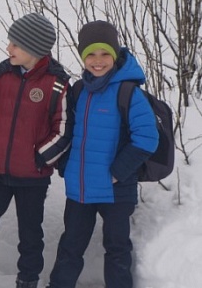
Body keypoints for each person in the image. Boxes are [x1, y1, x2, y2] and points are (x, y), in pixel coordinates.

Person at [46, 21, 158, 288]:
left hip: (115, 190)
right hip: (80, 189)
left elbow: (147, 138)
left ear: (115, 54)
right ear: (83, 56)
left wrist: (118, 172)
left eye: (105, 53)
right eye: (91, 54)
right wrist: (66, 165)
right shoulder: (78, 90)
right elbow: (67, 131)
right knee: (70, 247)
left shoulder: (128, 92)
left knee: (117, 250)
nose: (98, 61)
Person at [0, 13, 71, 288]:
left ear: (35, 49)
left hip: (33, 178)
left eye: (15, 44)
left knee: (30, 233)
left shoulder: (57, 83)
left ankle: (28, 279)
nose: (8, 48)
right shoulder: (3, 74)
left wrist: (39, 158)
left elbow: (62, 130)